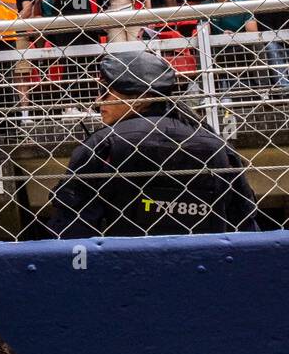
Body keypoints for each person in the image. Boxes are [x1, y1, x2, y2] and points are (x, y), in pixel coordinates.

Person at [47, 51, 258, 237]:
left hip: (120, 266)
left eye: (106, 91)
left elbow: (70, 223)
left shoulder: (105, 144)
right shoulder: (214, 145)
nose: (98, 101)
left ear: (139, 99)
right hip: (205, 264)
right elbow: (244, 218)